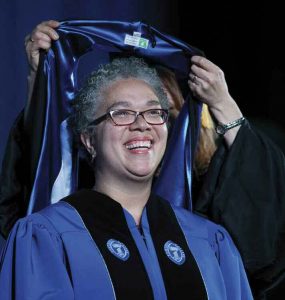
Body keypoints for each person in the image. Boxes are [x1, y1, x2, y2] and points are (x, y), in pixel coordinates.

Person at [1, 20, 285, 299]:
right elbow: (36, 168)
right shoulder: (47, 235)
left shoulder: (211, 241)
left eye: (155, 112)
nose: (142, 125)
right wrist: (41, 80)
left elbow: (263, 239)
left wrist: (225, 105)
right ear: (87, 139)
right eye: (121, 113)